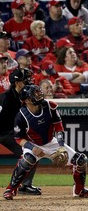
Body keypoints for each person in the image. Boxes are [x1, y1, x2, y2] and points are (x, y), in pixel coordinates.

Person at [3, 84, 88, 200]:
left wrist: (61, 146)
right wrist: (32, 148)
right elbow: (18, 138)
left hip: (52, 143)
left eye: (38, 92)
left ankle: (79, 190)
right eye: (34, 94)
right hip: (32, 144)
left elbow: (59, 128)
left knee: (81, 160)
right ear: (26, 100)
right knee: (27, 160)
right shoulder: (21, 116)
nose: (38, 95)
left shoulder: (49, 107)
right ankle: (11, 189)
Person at [0, 68, 41, 197]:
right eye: (25, 80)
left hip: (11, 132)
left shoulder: (25, 96)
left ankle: (26, 185)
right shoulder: (6, 98)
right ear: (17, 83)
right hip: (4, 132)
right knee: (31, 152)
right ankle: (24, 185)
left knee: (32, 152)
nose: (28, 81)